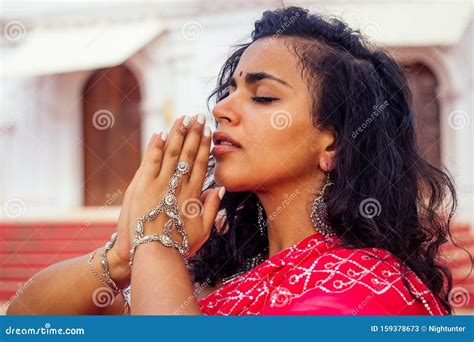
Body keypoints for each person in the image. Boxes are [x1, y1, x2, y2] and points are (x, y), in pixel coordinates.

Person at [7, 6, 456, 316]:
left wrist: (157, 242)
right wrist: (123, 256)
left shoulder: (367, 291)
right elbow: (29, 322)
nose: (222, 109)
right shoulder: (218, 276)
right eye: (229, 92)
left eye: (262, 96)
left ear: (332, 146)